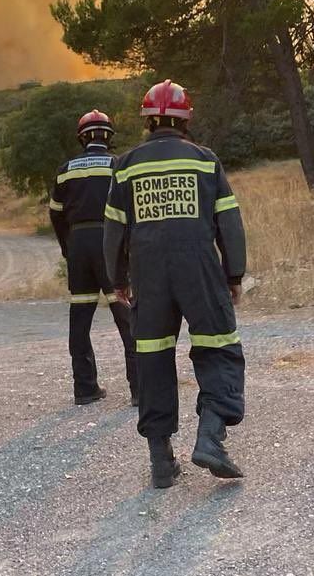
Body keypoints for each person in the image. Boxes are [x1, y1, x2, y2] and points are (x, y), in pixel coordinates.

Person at [104, 81, 246, 488]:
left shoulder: (127, 165)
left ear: (147, 120)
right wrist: (233, 273)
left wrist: (118, 278)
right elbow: (229, 222)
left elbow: (114, 230)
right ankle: (210, 437)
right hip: (199, 266)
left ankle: (161, 462)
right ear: (186, 119)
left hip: (148, 272)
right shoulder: (204, 161)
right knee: (219, 347)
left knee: (152, 358)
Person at [49, 110, 138, 406]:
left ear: (82, 137)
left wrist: (68, 246)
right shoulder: (118, 165)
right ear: (108, 136)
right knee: (126, 316)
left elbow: (56, 214)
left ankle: (85, 390)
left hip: (78, 245)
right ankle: (140, 391)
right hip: (109, 243)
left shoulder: (65, 169)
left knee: (80, 319)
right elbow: (130, 211)